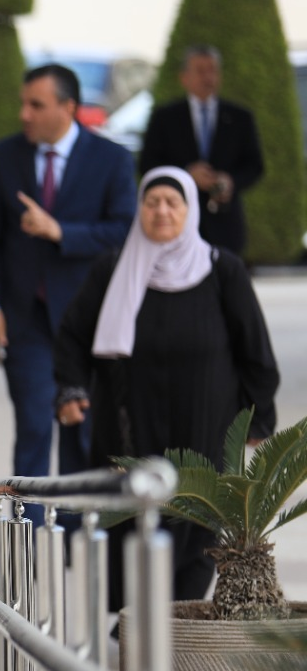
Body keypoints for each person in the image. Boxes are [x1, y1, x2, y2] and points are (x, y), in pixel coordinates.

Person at [54, 166, 278, 610]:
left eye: (172, 202)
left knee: (198, 531)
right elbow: (73, 336)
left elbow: (255, 351)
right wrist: (71, 390)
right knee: (128, 527)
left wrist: (260, 419)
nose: (161, 211)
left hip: (204, 427)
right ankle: (134, 623)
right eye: (151, 202)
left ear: (190, 209)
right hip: (128, 427)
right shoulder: (113, 269)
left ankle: (175, 625)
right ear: (139, 209)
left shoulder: (222, 271)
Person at [0, 64, 137, 482]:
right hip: (27, 321)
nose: (24, 114)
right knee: (33, 428)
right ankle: (28, 521)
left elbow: (125, 232)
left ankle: (74, 524)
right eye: (24, 103)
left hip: (89, 323)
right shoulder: (4, 156)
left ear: (68, 107)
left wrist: (61, 232)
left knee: (83, 435)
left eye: (36, 105)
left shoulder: (112, 159)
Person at [139, 45, 264, 256]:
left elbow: (254, 165)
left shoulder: (239, 117)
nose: (208, 77)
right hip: (178, 222)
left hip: (225, 224)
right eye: (200, 70)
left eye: (212, 70)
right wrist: (186, 174)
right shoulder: (166, 117)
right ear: (184, 77)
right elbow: (148, 164)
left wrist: (231, 181)